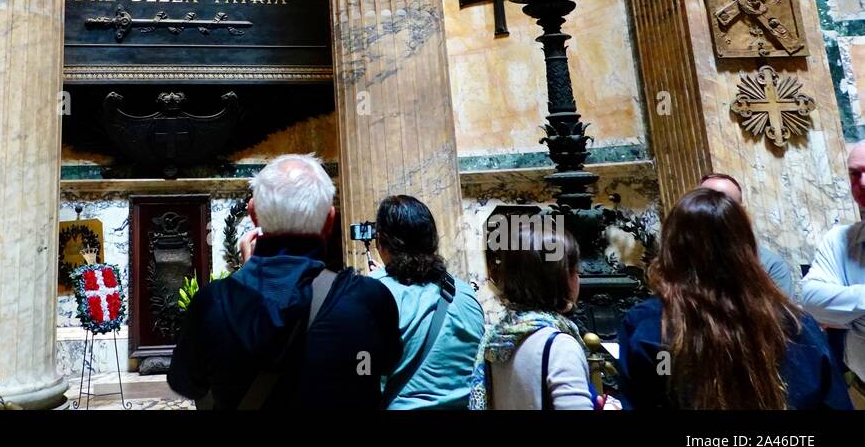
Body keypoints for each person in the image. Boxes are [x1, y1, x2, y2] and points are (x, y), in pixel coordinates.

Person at [167, 154, 400, 409]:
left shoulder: (213, 303)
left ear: (253, 213)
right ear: (330, 219)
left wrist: (247, 272)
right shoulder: (370, 299)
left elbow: (187, 383)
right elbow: (384, 366)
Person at [617, 187, 852, 410]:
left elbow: (653, 386)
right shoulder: (794, 325)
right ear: (746, 247)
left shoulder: (651, 329)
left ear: (671, 249)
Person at [370, 195, 485, 409]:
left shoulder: (369, 293)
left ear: (380, 241)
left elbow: (361, 369)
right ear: (433, 240)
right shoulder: (465, 294)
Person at [469, 222, 596, 410]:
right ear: (560, 279)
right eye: (576, 271)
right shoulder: (560, 347)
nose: (579, 279)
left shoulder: (496, 341)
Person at [800, 139, 865, 406]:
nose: (861, 183)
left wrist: (849, 314)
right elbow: (812, 301)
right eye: (854, 174)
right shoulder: (840, 239)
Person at [698, 173, 795, 295]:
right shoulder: (676, 262)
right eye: (704, 203)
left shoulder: (771, 267)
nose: (713, 213)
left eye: (725, 206)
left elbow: (782, 313)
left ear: (741, 212)